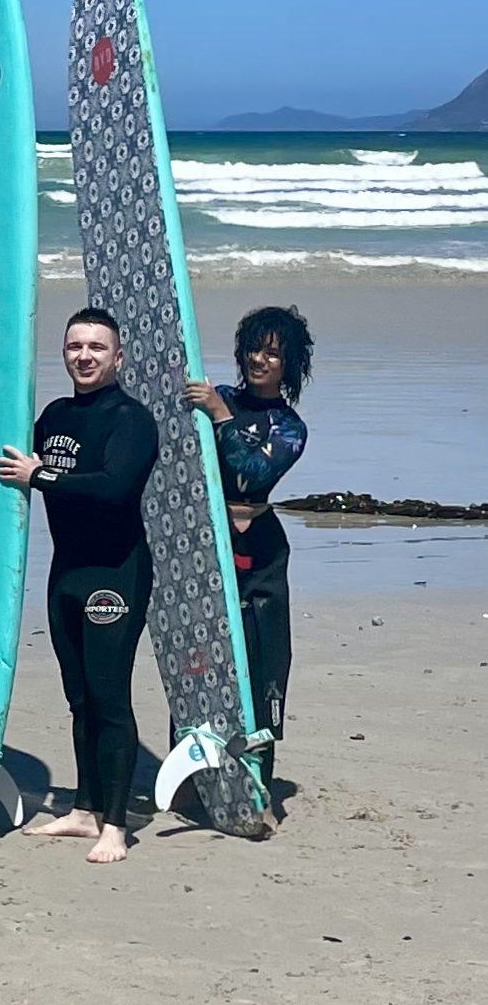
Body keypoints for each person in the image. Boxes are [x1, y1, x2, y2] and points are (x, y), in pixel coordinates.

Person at [0, 305, 160, 864]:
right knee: (79, 697)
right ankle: (86, 808)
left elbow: (113, 488)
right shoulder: (55, 414)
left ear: (118, 356)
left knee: (110, 696)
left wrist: (41, 475)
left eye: (96, 347)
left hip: (115, 572)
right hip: (66, 571)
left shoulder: (132, 419)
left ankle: (115, 826)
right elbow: (6, 450)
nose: (84, 356)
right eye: (74, 346)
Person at [186, 304, 312, 802]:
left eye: (273, 353)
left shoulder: (289, 427)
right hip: (204, 539)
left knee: (262, 659)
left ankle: (257, 771)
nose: (260, 359)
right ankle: (197, 769)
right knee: (199, 655)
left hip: (260, 553)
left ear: (290, 364)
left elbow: (252, 476)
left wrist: (220, 416)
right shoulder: (215, 397)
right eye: (254, 348)